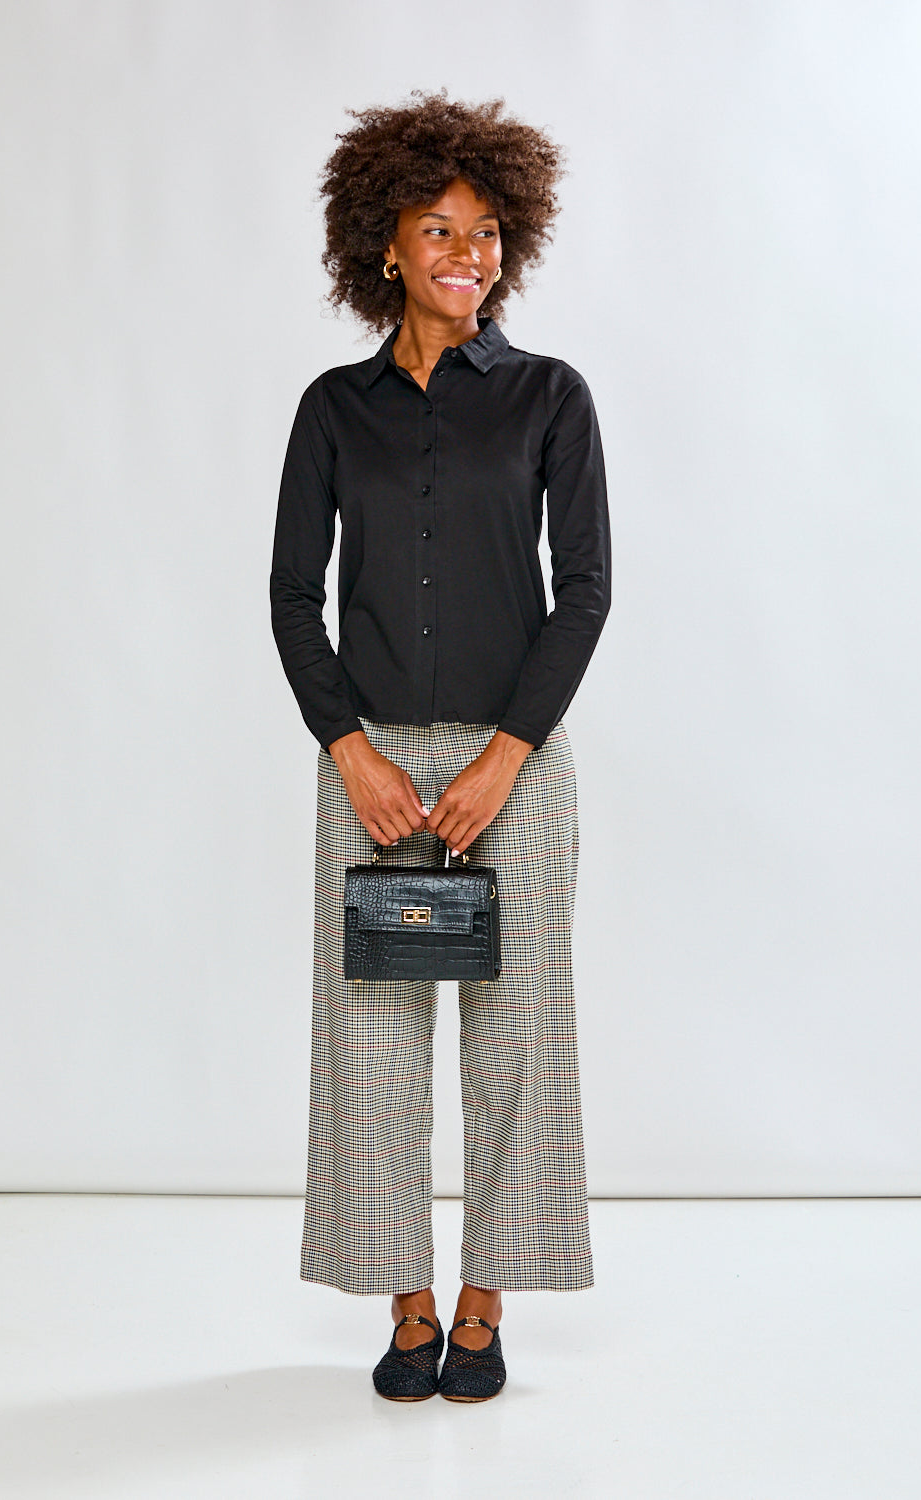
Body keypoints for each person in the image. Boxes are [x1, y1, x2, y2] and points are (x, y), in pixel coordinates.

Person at [269, 89, 611, 1403]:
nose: (466, 254)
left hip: (512, 765)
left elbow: (583, 591)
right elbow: (294, 598)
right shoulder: (332, 411)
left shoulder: (548, 399)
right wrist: (349, 747)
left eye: (485, 233)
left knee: (518, 1040)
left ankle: (482, 1310)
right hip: (367, 759)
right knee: (370, 1041)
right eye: (438, 228)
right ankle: (403, 1308)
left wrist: (503, 756)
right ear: (386, 247)